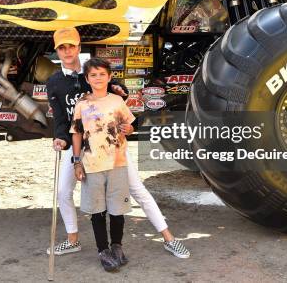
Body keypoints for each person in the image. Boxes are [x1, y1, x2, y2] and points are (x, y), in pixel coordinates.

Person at [46, 27, 190, 259]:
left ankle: (169, 238)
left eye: (71, 46)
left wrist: (121, 94)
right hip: (78, 147)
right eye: (62, 47)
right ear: (56, 51)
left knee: (137, 189)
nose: (67, 51)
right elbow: (62, 119)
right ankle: (73, 240)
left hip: (110, 146)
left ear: (79, 47)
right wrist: (60, 139)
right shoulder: (53, 81)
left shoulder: (92, 70)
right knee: (63, 191)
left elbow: (119, 96)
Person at [71, 57, 136, 271]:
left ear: (109, 77)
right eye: (93, 75)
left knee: (118, 210)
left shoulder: (117, 101)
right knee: (97, 210)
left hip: (117, 163)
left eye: (102, 74)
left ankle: (117, 246)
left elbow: (129, 125)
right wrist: (77, 162)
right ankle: (103, 250)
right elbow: (77, 134)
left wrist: (129, 130)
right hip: (92, 165)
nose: (98, 78)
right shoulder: (82, 104)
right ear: (87, 79)